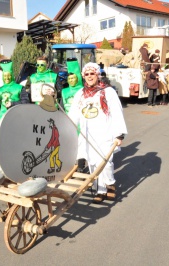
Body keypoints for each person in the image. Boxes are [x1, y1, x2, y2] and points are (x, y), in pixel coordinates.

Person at [68, 62, 127, 203]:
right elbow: (73, 114)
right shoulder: (80, 94)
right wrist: (68, 127)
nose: (89, 76)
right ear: (83, 76)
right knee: (92, 163)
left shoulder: (108, 91)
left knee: (105, 162)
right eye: (86, 74)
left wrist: (119, 134)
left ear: (97, 74)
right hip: (87, 134)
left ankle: (110, 184)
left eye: (92, 73)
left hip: (104, 132)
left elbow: (117, 111)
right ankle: (100, 190)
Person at [0, 60, 25, 128]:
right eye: (5, 76)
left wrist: (12, 103)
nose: (7, 78)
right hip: (2, 120)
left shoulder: (19, 88)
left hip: (17, 120)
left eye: (9, 75)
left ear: (12, 75)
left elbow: (25, 102)